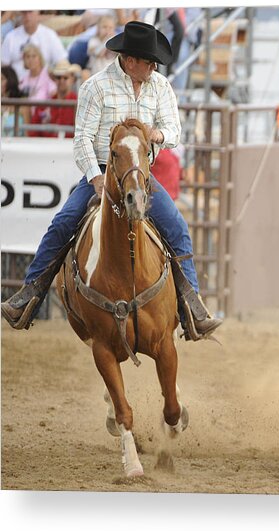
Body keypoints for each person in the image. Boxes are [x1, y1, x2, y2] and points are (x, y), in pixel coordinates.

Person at [1, 21, 221, 341]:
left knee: (176, 227)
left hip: (140, 174)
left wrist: (156, 134)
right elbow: (83, 141)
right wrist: (96, 178)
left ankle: (193, 307)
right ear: (129, 60)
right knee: (63, 223)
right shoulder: (96, 86)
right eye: (149, 61)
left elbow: (174, 131)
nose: (153, 66)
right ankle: (28, 296)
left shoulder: (160, 86)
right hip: (104, 170)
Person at [1, 10, 67, 80]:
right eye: (24, 12)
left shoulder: (50, 35)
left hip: (43, 84)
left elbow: (62, 62)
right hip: (16, 85)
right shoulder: (10, 37)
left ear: (38, 12)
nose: (27, 16)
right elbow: (3, 66)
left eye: (30, 12)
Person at [31, 59, 80, 138]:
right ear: (54, 79)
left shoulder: (79, 104)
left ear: (72, 79)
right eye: (58, 77)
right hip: (46, 146)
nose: (61, 80)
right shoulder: (45, 105)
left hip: (70, 147)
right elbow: (33, 131)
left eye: (65, 78)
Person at [1, 65, 28, 136]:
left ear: (10, 80)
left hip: (17, 144)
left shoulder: (22, 103)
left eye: (2, 79)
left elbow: (27, 133)